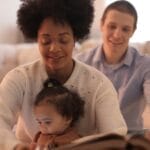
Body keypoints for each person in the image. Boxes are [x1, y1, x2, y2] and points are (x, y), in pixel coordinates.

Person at [0, 0, 127, 149]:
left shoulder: (99, 84)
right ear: (37, 41)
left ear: (75, 40)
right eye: (46, 41)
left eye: (63, 40)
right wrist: (16, 147)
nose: (54, 48)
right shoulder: (19, 78)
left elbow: (115, 135)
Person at [75, 0, 150, 133]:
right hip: (91, 139)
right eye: (112, 26)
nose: (117, 35)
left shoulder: (145, 65)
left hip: (129, 139)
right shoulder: (80, 63)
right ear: (102, 25)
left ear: (133, 31)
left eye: (125, 29)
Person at [30, 78, 84, 149]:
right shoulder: (39, 136)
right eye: (39, 122)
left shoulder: (74, 140)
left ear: (67, 118)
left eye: (47, 122)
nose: (42, 127)